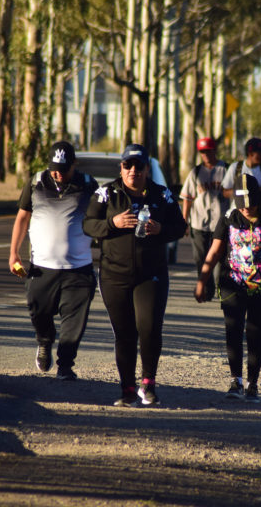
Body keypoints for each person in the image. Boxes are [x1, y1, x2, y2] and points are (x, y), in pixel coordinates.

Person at [83, 144, 186, 407]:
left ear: (146, 169)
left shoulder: (162, 195)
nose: (133, 171)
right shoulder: (106, 194)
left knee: (149, 327)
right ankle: (127, 389)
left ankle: (148, 384)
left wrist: (161, 229)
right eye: (127, 165)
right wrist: (112, 223)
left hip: (151, 275)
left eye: (138, 166)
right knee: (125, 332)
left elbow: (180, 227)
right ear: (121, 168)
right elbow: (88, 224)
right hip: (114, 275)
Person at [194, 173, 261, 403]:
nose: (247, 208)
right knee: (233, 331)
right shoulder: (228, 219)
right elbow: (215, 252)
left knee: (255, 334)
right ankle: (235, 381)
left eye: (251, 204)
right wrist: (202, 281)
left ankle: (252, 384)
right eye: (242, 204)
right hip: (232, 286)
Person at [9, 141, 98, 379]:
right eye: (54, 169)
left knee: (74, 321)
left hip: (78, 268)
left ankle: (65, 365)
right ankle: (44, 340)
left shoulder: (88, 185)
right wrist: (14, 252)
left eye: (63, 169)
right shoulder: (36, 182)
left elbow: (99, 219)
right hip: (41, 267)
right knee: (38, 311)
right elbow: (22, 217)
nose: (58, 174)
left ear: (74, 165)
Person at [181, 137, 228, 302]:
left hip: (221, 224)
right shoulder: (195, 172)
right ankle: (206, 291)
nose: (205, 154)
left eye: (208, 151)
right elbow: (187, 198)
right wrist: (184, 221)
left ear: (214, 150)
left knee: (221, 260)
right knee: (200, 259)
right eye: (202, 152)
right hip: (199, 223)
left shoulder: (226, 169)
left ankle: (221, 288)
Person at [221, 137, 261, 212]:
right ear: (250, 153)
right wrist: (242, 191)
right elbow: (225, 192)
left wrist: (260, 191)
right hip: (239, 213)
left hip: (260, 214)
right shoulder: (235, 168)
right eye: (260, 153)